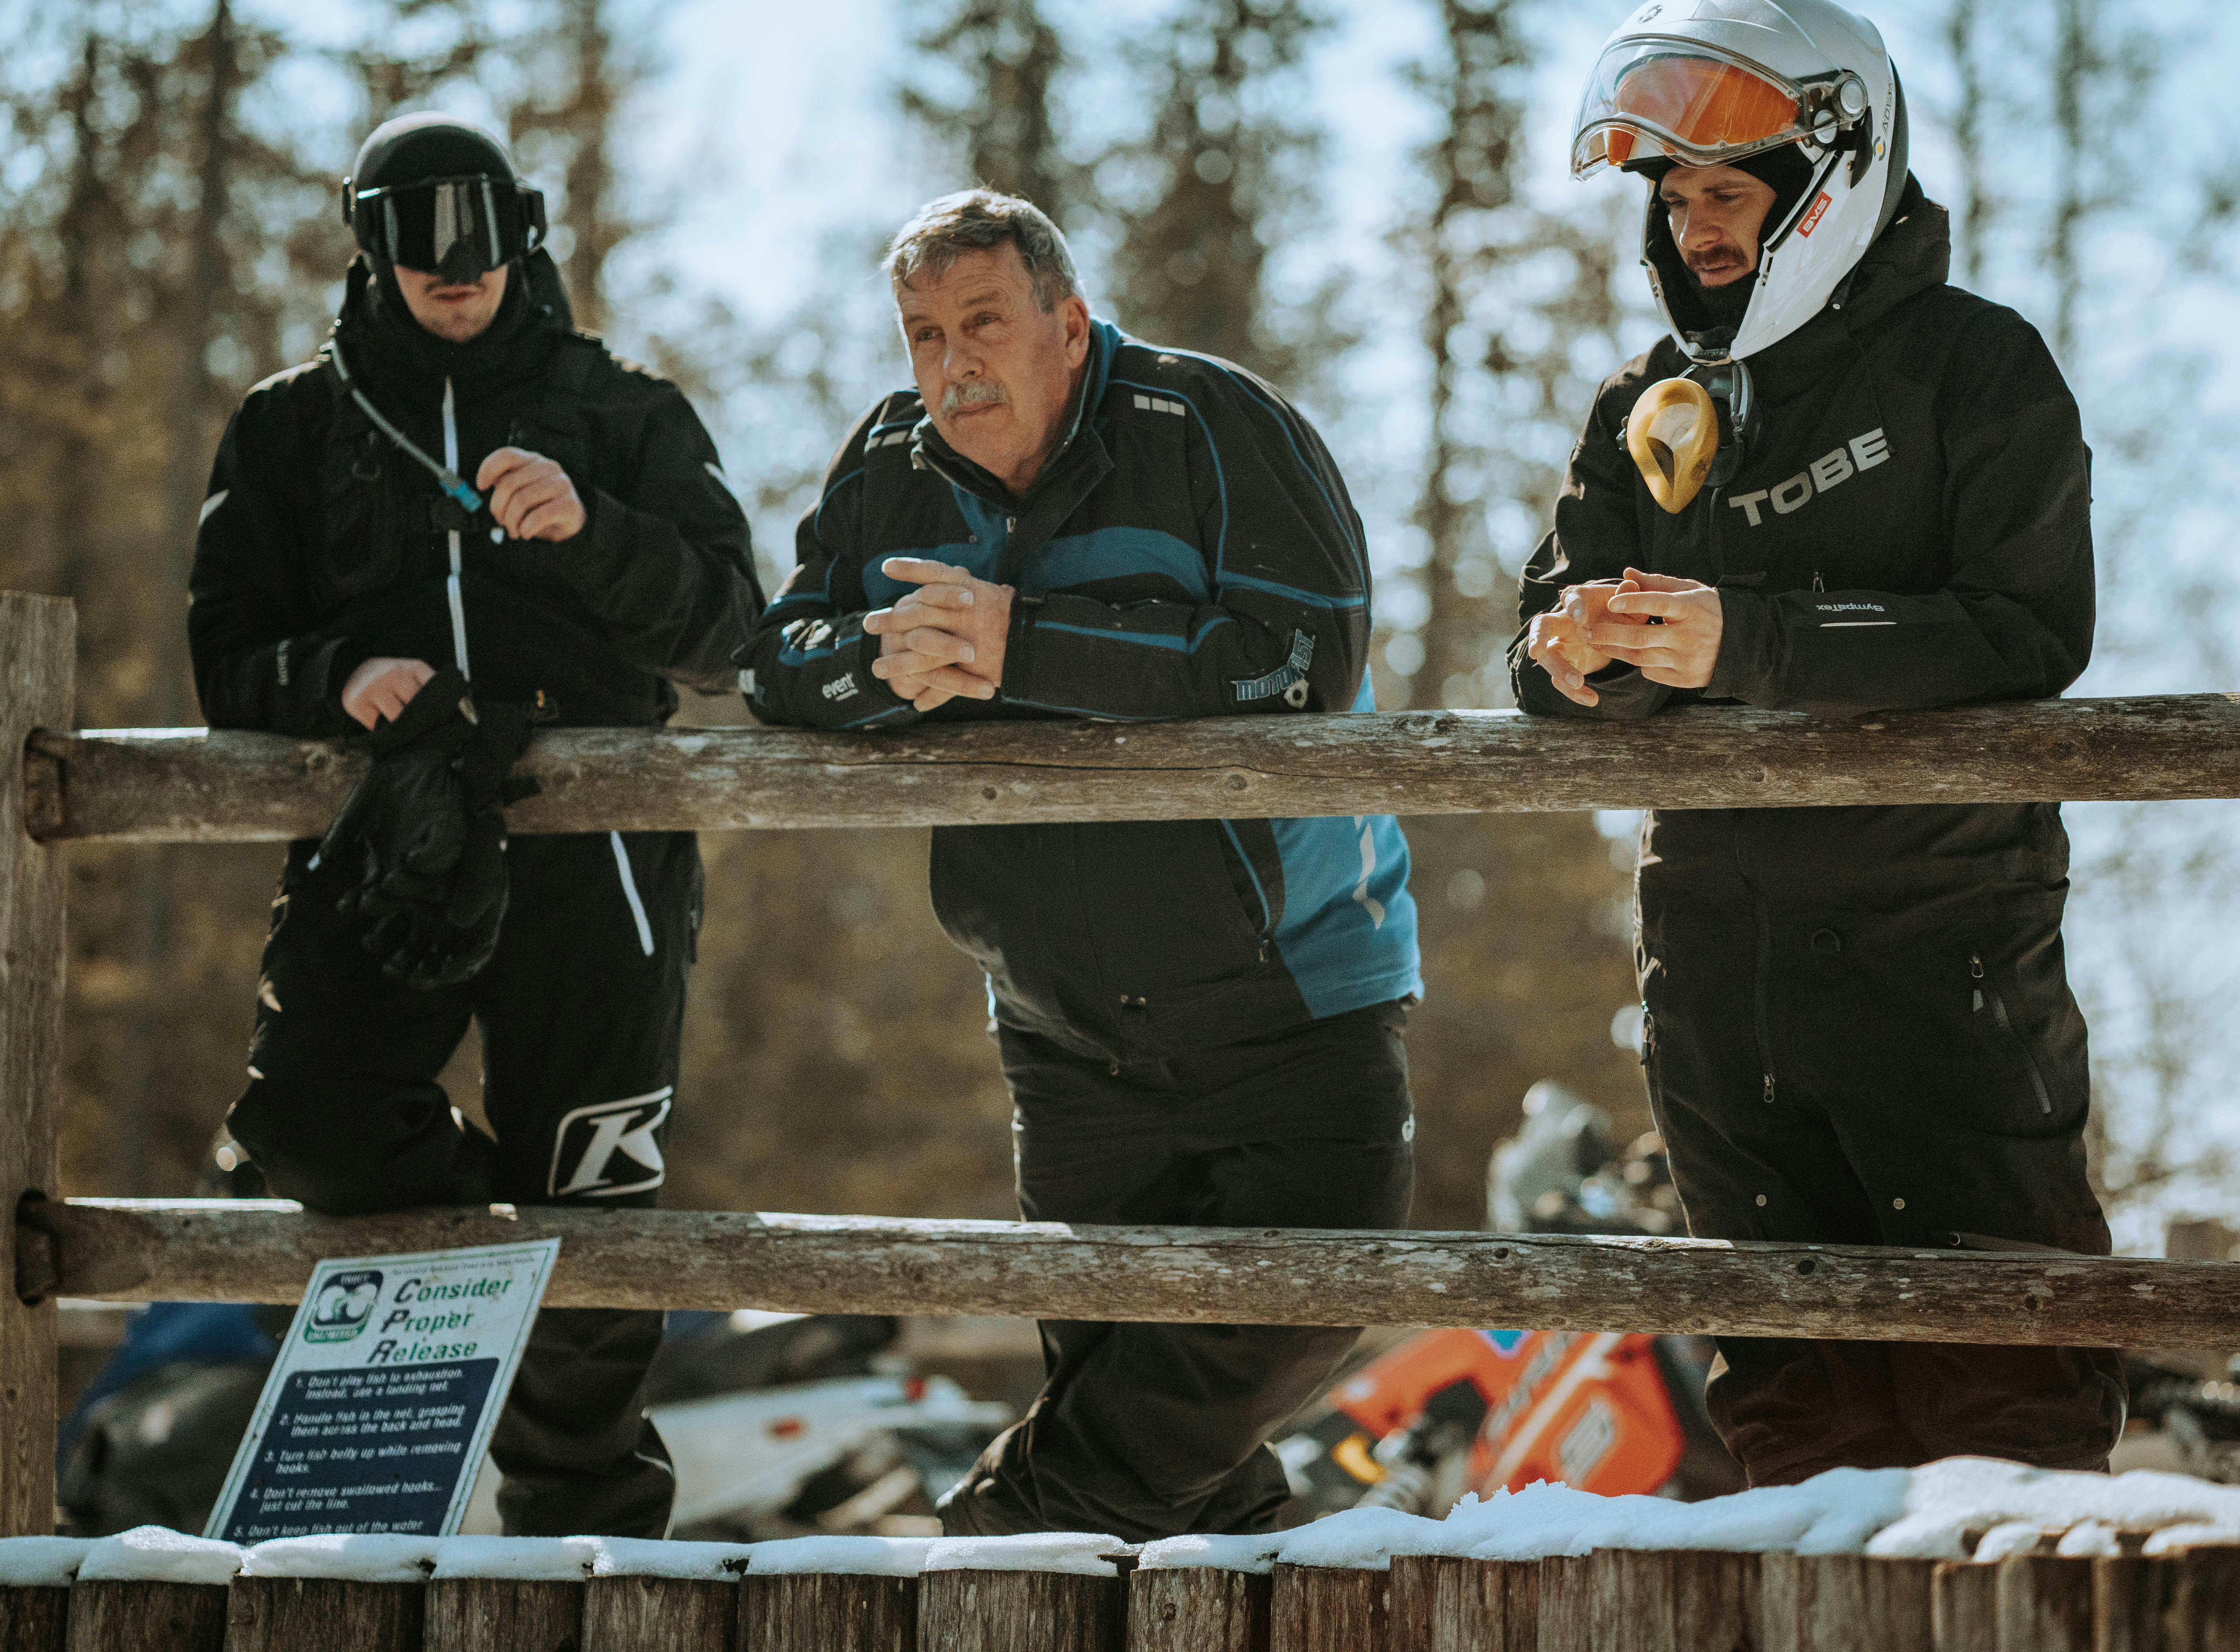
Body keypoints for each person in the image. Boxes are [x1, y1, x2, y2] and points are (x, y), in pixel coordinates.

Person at [738, 188, 1424, 1541]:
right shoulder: (887, 462)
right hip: (1059, 1033)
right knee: (1170, 1456)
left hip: (1294, 1003)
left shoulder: (1213, 423)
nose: (953, 364)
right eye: (923, 335)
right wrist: (879, 666)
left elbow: (1305, 663)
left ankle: (974, 1549)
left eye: (983, 322)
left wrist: (1022, 648)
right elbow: (774, 665)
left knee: (1261, 1338)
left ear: (1068, 321)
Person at [1512, 0, 2123, 1485]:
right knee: (1783, 1408)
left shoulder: (1975, 367)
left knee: (2003, 1386)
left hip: (1940, 944)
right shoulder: (1640, 406)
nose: (1690, 228)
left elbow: (2024, 631)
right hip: (1717, 970)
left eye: (1722, 192)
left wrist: (1750, 639)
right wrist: (1586, 653)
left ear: (1826, 182)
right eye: (1669, 199)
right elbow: (1536, 657)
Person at [188, 111, 764, 1535]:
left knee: (595, 1215)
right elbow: (227, 658)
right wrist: (331, 677)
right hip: (387, 845)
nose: (454, 265)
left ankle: (587, 1562)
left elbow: (730, 630)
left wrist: (594, 530)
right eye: (416, 233)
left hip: (603, 866)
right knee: (307, 1129)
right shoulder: (288, 426)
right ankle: (484, 1271)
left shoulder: (623, 410)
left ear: (525, 228)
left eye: (481, 228)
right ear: (366, 240)